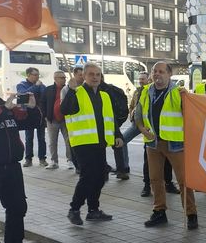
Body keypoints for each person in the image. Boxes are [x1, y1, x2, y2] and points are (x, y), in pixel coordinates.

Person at [135, 61, 198, 230]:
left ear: (169, 74)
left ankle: (191, 214)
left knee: (184, 181)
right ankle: (159, 212)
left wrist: (188, 100)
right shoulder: (146, 91)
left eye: (161, 71)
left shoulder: (179, 92)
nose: (157, 74)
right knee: (155, 179)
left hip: (175, 143)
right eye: (155, 71)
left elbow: (191, 116)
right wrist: (142, 129)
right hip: (153, 143)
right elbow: (138, 115)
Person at [61, 63, 124, 226]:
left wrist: (117, 134)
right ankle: (74, 209)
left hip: (99, 142)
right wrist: (71, 90)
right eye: (91, 74)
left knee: (100, 176)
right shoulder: (77, 92)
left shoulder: (104, 96)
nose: (95, 77)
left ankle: (93, 210)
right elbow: (65, 109)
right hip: (82, 143)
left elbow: (110, 118)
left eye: (97, 74)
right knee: (88, 176)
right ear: (84, 76)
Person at [0, 71, 42, 243]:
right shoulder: (3, 108)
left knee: (18, 206)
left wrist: (32, 108)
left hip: (11, 167)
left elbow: (32, 123)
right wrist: (5, 108)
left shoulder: (5, 106)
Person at [100, 75, 130, 180]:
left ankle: (105, 170)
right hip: (114, 121)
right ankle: (121, 170)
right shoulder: (111, 88)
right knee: (117, 145)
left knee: (101, 146)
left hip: (105, 122)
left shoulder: (99, 91)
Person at [43, 71, 74, 170]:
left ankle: (70, 160)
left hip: (66, 119)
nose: (64, 79)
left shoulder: (68, 89)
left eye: (65, 78)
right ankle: (54, 161)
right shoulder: (48, 90)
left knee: (69, 140)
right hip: (52, 120)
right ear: (55, 78)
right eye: (62, 78)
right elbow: (42, 102)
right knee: (52, 141)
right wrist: (45, 115)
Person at [17, 67, 47, 167]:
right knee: (29, 138)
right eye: (35, 74)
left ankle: (42, 158)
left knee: (41, 138)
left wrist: (41, 87)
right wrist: (35, 86)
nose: (37, 77)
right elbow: (24, 94)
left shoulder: (41, 85)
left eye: (38, 74)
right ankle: (28, 159)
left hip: (39, 115)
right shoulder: (21, 85)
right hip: (28, 115)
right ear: (28, 75)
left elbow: (45, 96)